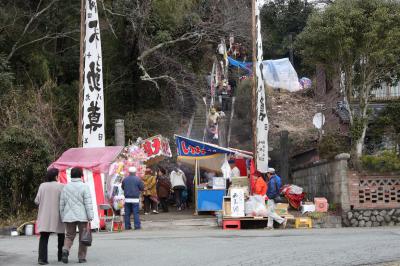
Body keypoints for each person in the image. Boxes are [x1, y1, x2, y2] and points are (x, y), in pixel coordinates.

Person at [60, 167, 94, 264]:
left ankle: (65, 250)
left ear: (71, 175)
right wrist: (90, 216)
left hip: (68, 215)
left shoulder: (65, 187)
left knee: (70, 235)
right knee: (83, 236)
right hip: (82, 216)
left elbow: (62, 203)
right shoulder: (84, 186)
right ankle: (81, 257)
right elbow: (88, 203)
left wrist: (63, 215)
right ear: (81, 175)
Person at [35, 168, 65, 265]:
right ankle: (61, 256)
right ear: (56, 176)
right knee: (61, 236)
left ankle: (42, 259)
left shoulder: (42, 186)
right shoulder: (61, 186)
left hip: (45, 216)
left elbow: (37, 201)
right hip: (58, 215)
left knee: (44, 237)